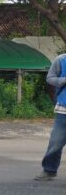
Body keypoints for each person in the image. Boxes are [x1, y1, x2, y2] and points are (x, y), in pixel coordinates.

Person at [35, 53, 66, 181]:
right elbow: (50, 78)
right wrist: (63, 80)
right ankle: (49, 170)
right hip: (63, 109)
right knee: (56, 142)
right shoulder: (61, 60)